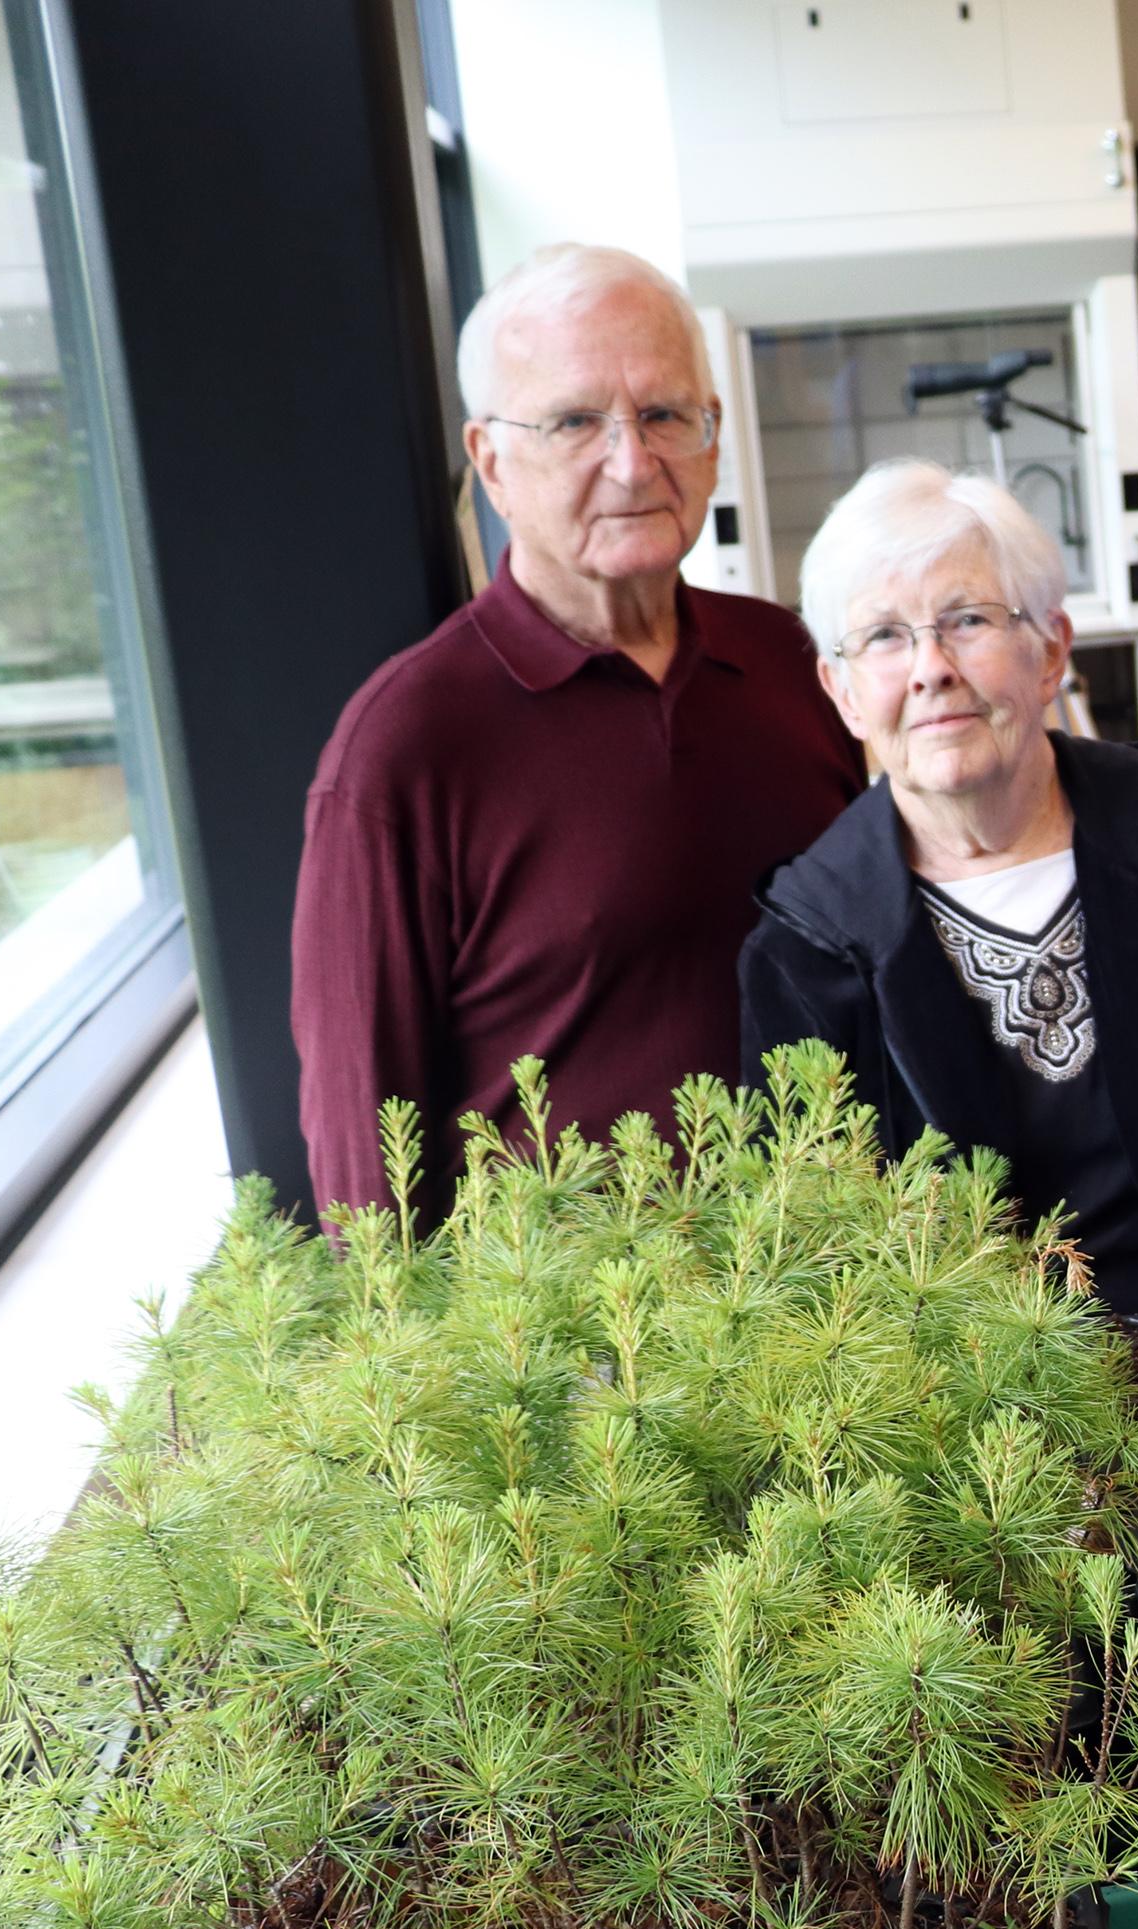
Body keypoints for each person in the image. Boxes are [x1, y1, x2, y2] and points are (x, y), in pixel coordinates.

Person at [291, 244, 863, 1222]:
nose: (632, 461)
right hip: (578, 1346)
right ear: (491, 461)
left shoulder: (790, 665)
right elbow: (362, 1152)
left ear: (714, 438)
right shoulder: (405, 746)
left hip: (834, 1298)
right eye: (573, 420)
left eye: (665, 414)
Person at [739, 460, 1138, 1314]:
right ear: (845, 694)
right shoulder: (801, 949)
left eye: (966, 620)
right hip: (985, 1438)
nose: (931, 668)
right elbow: (804, 1275)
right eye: (886, 638)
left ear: (1050, 650)